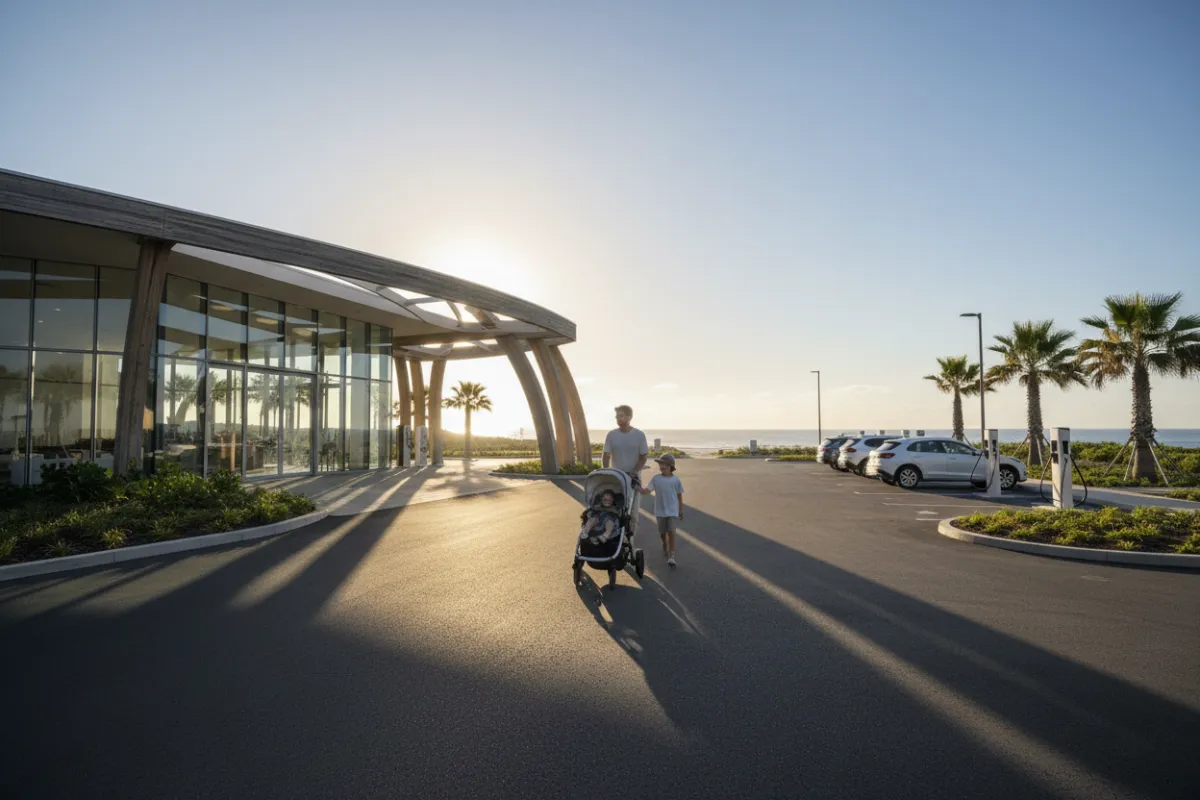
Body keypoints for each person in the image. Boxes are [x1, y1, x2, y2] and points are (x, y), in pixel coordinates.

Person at [603, 405, 649, 532]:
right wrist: (605, 470)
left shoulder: (639, 435)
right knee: (616, 508)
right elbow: (606, 455)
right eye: (617, 416)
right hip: (617, 477)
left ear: (629, 417)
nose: (618, 419)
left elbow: (643, 457)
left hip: (634, 478)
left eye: (621, 416)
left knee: (633, 513)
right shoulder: (611, 435)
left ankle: (631, 538)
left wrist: (634, 471)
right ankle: (616, 536)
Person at [637, 453, 684, 567]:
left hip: (672, 511)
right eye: (660, 464)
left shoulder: (676, 480)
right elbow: (647, 490)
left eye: (664, 464)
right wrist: (638, 488)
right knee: (662, 533)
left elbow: (679, 496)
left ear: (671, 465)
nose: (661, 466)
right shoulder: (656, 479)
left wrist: (680, 510)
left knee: (671, 532)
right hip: (660, 511)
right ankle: (664, 543)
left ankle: (672, 556)